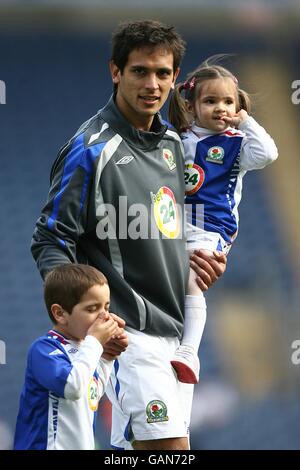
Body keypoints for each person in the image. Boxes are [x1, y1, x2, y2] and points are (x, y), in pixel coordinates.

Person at [31, 21, 227, 450]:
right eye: (139, 71)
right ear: (115, 71)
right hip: (129, 336)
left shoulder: (174, 145)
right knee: (171, 453)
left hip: (173, 337)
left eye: (162, 73)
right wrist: (92, 317)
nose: (152, 84)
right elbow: (49, 238)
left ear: (176, 78)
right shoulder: (90, 149)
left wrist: (199, 262)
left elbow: (167, 230)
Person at [168, 57, 278, 384]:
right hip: (176, 223)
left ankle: (189, 351)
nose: (221, 108)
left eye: (228, 101)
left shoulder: (237, 143)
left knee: (191, 280)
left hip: (212, 227)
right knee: (167, 281)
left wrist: (246, 122)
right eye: (210, 100)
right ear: (191, 105)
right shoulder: (179, 140)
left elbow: (268, 154)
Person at [14, 264, 127, 450]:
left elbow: (91, 393)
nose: (104, 317)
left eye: (106, 307)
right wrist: (96, 342)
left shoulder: (87, 349)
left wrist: (107, 357)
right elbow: (72, 387)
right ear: (60, 313)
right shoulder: (44, 348)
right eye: (92, 309)